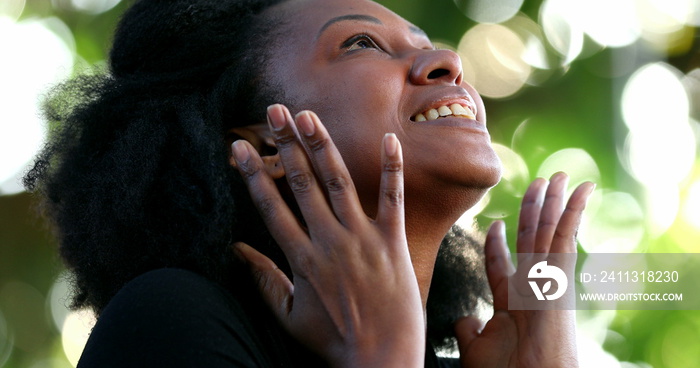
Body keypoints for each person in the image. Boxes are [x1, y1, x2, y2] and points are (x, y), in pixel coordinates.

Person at [24, 0, 593, 366]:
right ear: (265, 145)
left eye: (425, 43)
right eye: (361, 44)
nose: (446, 61)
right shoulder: (168, 321)